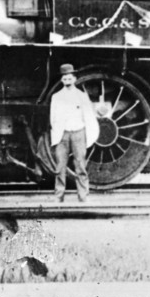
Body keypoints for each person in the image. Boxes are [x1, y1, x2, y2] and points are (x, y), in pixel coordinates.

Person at [49, 64, 98, 202]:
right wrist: (57, 133)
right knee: (60, 167)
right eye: (64, 78)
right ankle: (59, 196)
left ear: (75, 79)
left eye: (69, 78)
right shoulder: (56, 97)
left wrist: (87, 134)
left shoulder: (82, 96)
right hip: (62, 134)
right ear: (61, 80)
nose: (67, 80)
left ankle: (83, 196)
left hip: (78, 133)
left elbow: (89, 116)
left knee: (80, 166)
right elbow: (53, 118)